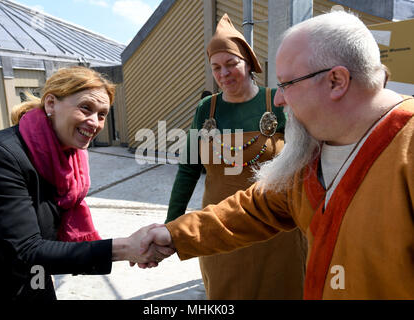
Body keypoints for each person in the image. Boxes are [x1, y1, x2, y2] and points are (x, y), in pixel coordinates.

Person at [139, 11, 414, 299]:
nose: (280, 98)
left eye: (286, 84)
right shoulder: (314, 149)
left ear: (336, 81)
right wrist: (174, 233)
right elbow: (256, 205)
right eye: (215, 67)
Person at [0, 66, 173, 301]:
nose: (95, 122)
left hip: (35, 281)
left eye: (102, 114)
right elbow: (26, 250)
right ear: (51, 103)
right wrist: (126, 248)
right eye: (86, 108)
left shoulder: (69, 158)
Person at [165, 14, 307, 300]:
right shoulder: (207, 109)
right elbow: (188, 169)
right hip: (219, 228)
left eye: (231, 64)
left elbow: (304, 163)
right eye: (216, 67)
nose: (224, 74)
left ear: (248, 64)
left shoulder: (276, 103)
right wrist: (171, 226)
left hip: (274, 229)